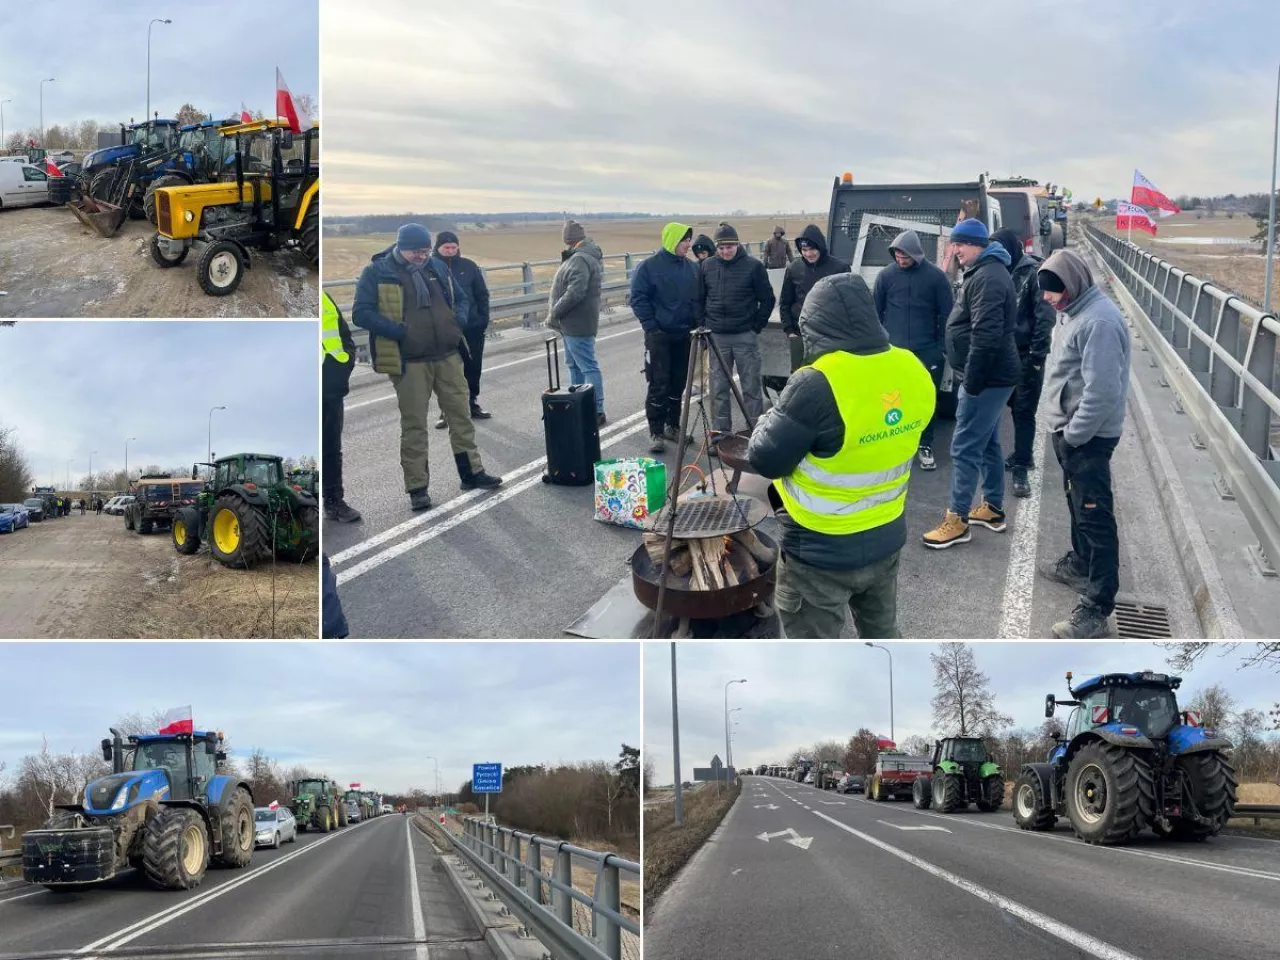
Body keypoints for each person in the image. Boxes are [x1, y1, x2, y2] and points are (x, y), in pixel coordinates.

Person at [747, 273, 935, 638]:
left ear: (814, 325)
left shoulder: (817, 382)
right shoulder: (911, 367)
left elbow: (766, 458)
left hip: (819, 552)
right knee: (883, 642)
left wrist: (768, 417)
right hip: (886, 539)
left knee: (815, 661)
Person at [352, 223, 502, 512]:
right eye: (415, 252)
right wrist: (399, 331)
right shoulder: (378, 272)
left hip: (447, 355)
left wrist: (455, 322)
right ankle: (418, 489)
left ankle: (472, 473)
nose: (421, 256)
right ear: (400, 246)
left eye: (424, 250)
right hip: (409, 362)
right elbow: (361, 312)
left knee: (461, 417)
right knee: (414, 427)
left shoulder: (436, 266)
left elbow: (461, 298)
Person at [1036, 248, 1131, 638]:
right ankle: (1081, 564)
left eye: (1053, 291)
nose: (1048, 298)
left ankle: (1097, 608)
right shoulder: (1073, 312)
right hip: (1071, 432)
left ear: (1072, 284)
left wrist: (1074, 435)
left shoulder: (1100, 323)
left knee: (1095, 516)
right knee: (1077, 504)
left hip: (1087, 438)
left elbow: (1102, 391)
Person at [923, 218, 1022, 549]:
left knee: (964, 447)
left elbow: (987, 335)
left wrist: (973, 383)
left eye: (960, 244)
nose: (955, 251)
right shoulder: (987, 272)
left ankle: (957, 520)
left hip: (986, 378)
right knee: (988, 442)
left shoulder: (989, 278)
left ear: (977, 245)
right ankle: (992, 509)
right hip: (990, 376)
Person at [872, 229, 954, 470]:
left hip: (927, 349)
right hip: (893, 351)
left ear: (916, 254)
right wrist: (880, 345)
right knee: (892, 397)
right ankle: (894, 443)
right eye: (897, 255)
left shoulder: (936, 277)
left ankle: (925, 443)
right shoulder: (886, 276)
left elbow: (947, 314)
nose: (900, 259)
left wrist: (940, 345)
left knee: (926, 397)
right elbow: (875, 313)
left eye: (905, 256)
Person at [991, 228, 1057, 497]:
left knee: (1023, 411)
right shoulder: (999, 270)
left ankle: (1021, 466)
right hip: (1004, 353)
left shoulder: (1034, 274)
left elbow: (1045, 318)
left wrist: (1037, 357)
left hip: (1026, 354)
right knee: (1005, 407)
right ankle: (1021, 454)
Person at [698, 222, 775, 450]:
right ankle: (720, 436)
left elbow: (768, 299)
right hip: (717, 337)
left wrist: (755, 327)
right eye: (721, 248)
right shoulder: (707, 266)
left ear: (737, 244)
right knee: (719, 388)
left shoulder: (753, 267)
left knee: (751, 388)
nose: (725, 252)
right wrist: (702, 326)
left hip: (744, 336)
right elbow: (699, 299)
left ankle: (755, 433)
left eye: (729, 247)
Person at [630, 222, 700, 453]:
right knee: (659, 383)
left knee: (678, 383)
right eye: (684, 240)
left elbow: (698, 299)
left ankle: (673, 425)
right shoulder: (649, 267)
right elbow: (638, 298)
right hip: (658, 337)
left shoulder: (692, 268)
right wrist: (652, 326)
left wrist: (697, 324)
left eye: (690, 240)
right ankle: (656, 431)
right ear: (672, 240)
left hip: (684, 335)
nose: (688, 245)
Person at [547, 220, 606, 425]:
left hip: (577, 322)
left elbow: (575, 291)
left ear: (568, 239)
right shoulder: (583, 255)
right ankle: (579, 403)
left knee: (587, 366)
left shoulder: (580, 258)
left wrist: (556, 311)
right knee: (575, 365)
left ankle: (596, 409)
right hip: (574, 322)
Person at [433, 230, 493, 428]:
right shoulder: (431, 267)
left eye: (453, 247)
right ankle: (446, 410)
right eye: (446, 247)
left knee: (473, 367)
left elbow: (482, 294)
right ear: (438, 247)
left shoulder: (469, 266)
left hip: (472, 327)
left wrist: (483, 319)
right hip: (445, 330)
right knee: (446, 371)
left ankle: (472, 403)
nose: (450, 250)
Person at [779, 224, 849, 373]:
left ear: (821, 247)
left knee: (830, 376)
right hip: (800, 336)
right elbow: (785, 302)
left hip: (830, 336)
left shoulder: (840, 269)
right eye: (804, 250)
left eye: (812, 249)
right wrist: (789, 330)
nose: (808, 254)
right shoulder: (794, 269)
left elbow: (848, 304)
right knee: (800, 377)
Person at [321, 291, 362, 523]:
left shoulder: (324, 298)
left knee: (331, 449)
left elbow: (344, 338)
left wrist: (341, 371)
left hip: (330, 389)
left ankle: (334, 501)